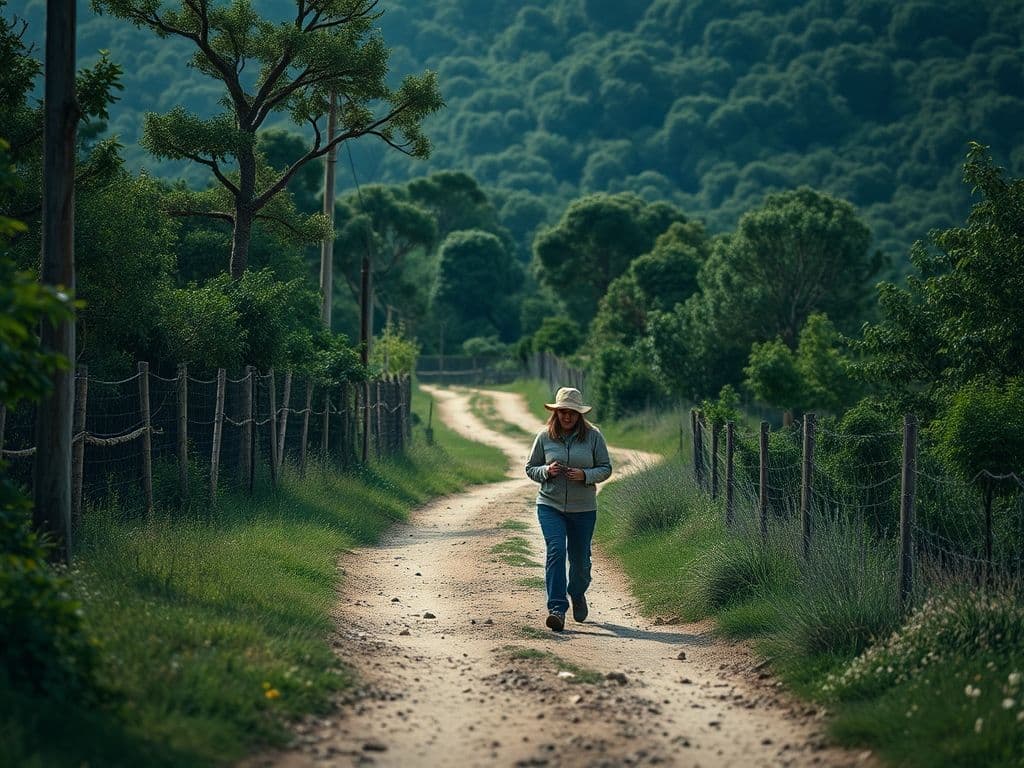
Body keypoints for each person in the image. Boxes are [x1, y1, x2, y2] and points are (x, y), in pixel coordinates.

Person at [525, 387, 612, 632]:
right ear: (556, 412)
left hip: (583, 509)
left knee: (581, 561)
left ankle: (577, 592)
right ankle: (556, 609)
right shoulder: (544, 437)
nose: (567, 417)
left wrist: (585, 475)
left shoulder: (594, 436)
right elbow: (530, 467)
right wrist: (546, 471)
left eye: (572, 413)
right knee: (556, 551)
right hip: (549, 505)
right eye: (563, 412)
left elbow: (606, 468)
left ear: (579, 415)